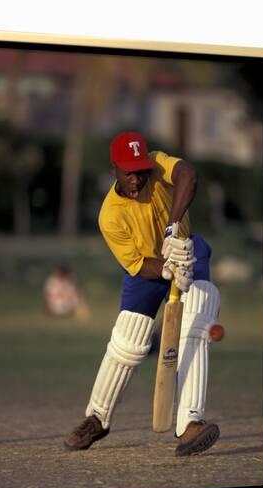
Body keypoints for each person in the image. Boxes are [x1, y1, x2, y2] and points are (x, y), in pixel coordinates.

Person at [64, 131, 221, 456]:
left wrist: (173, 229)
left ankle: (190, 423)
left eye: (141, 170)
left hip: (188, 252)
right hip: (148, 269)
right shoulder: (110, 215)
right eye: (129, 172)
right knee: (127, 342)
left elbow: (188, 174)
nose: (137, 178)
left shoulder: (160, 166)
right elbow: (136, 264)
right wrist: (166, 269)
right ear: (115, 171)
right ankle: (97, 418)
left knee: (198, 323)